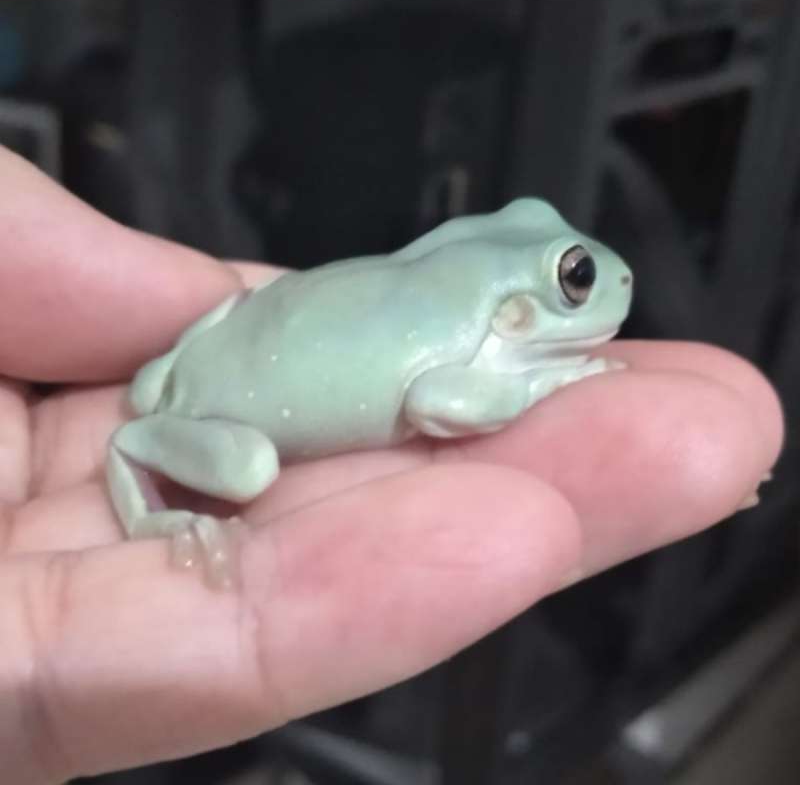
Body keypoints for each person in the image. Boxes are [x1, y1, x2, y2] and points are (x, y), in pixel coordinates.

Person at [0, 147, 782, 784]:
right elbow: (444, 402)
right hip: (225, 410)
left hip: (215, 342)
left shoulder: (466, 302)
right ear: (512, 311)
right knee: (247, 474)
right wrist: (546, 375)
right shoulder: (480, 337)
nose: (606, 283)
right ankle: (143, 501)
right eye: (573, 281)